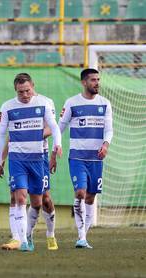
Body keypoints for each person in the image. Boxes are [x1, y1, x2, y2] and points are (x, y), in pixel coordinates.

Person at [0, 73, 62, 252]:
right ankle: (20, 238)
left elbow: (52, 127)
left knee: (41, 201)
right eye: (20, 92)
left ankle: (49, 234)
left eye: (27, 91)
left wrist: (54, 147)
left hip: (40, 156)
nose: (24, 95)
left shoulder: (45, 103)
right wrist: (0, 159)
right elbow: (6, 135)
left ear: (33, 86)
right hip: (18, 157)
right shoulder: (9, 107)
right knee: (17, 195)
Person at [54, 68, 113, 249]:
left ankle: (83, 236)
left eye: (98, 79)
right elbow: (60, 127)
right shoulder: (72, 103)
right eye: (93, 80)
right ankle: (81, 237)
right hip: (77, 157)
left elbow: (109, 129)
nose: (97, 83)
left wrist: (105, 144)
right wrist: (55, 150)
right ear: (84, 82)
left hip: (96, 159)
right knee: (80, 192)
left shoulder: (105, 104)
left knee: (90, 198)